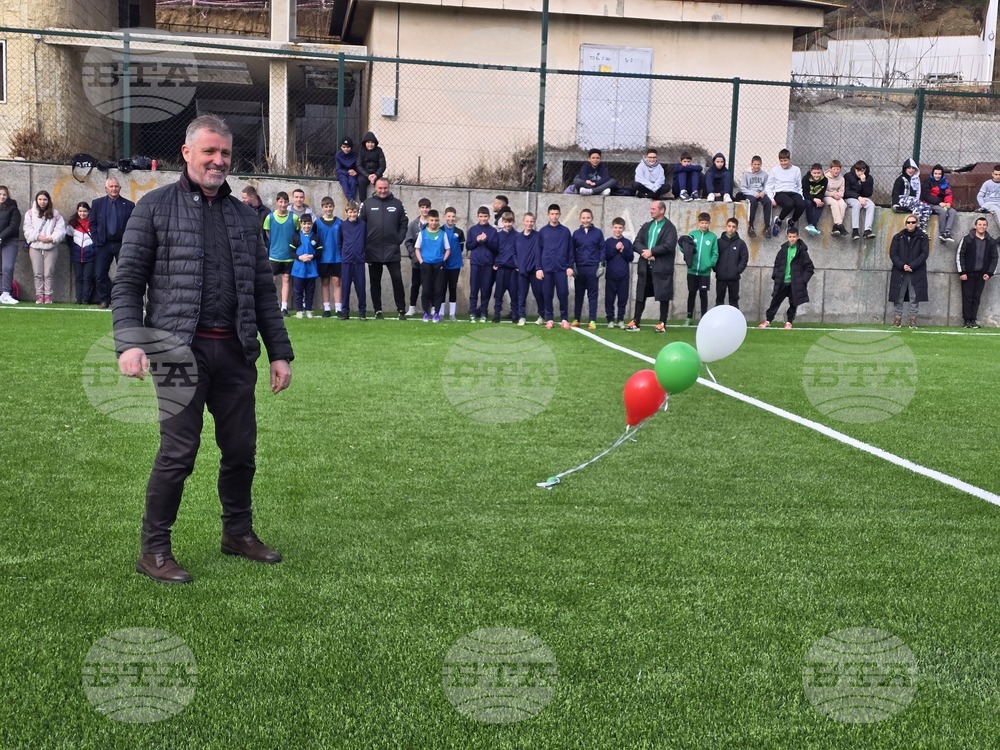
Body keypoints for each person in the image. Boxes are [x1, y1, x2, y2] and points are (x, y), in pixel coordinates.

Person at [112, 113, 293, 584]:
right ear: (187, 153)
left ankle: (237, 533)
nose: (218, 160)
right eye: (209, 151)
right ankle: (153, 550)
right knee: (178, 453)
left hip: (234, 354)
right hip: (176, 354)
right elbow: (128, 283)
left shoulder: (243, 215)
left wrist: (279, 352)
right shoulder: (152, 208)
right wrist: (129, 343)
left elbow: (262, 292)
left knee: (241, 450)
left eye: (226, 153)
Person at [625, 200, 677, 333]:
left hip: (661, 268)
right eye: (651, 208)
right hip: (645, 267)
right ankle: (636, 321)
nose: (651, 211)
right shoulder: (647, 226)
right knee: (640, 294)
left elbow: (668, 245)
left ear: (662, 210)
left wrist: (652, 251)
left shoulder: (669, 228)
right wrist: (645, 252)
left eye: (653, 209)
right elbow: (636, 242)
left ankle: (662, 323)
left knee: (663, 295)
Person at [359, 177, 407, 319]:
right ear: (375, 187)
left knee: (397, 280)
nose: (383, 191)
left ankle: (401, 310)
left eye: (385, 188)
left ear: (389, 187)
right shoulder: (367, 204)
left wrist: (399, 239)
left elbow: (404, 223)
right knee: (375, 281)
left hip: (392, 249)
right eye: (380, 188)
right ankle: (377, 310)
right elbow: (361, 225)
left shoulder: (397, 204)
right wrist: (365, 243)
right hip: (373, 250)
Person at [757, 226, 814, 330]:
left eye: (794, 236)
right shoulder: (783, 250)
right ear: (787, 237)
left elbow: (809, 268)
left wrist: (803, 280)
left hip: (795, 283)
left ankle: (789, 322)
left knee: (793, 303)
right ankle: (768, 320)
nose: (792, 239)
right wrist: (776, 276)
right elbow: (777, 264)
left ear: (798, 237)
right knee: (775, 301)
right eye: (790, 236)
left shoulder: (802, 252)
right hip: (783, 281)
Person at [90, 177, 135, 309]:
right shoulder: (97, 203)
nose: (114, 189)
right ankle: (104, 299)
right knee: (100, 274)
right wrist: (96, 239)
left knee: (124, 273)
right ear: (106, 189)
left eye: (116, 186)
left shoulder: (129, 205)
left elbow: (133, 225)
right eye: (111, 186)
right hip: (103, 245)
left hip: (122, 244)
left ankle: (122, 299)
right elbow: (92, 224)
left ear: (120, 188)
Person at [22, 190, 66, 304]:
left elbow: (61, 230)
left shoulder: (55, 214)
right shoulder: (30, 214)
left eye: (45, 199)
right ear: (36, 200)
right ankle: (39, 296)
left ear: (48, 200)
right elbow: (27, 229)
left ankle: (48, 296)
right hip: (35, 246)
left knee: (48, 273)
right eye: (40, 199)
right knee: (37, 273)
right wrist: (38, 237)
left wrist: (51, 238)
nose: (42, 202)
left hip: (50, 247)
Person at [956, 216, 999, 328]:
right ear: (975, 226)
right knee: (967, 297)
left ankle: (973, 320)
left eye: (984, 225)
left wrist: (989, 273)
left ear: (987, 226)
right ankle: (967, 321)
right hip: (968, 274)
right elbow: (960, 255)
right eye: (979, 224)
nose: (982, 227)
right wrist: (962, 272)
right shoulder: (967, 239)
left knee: (976, 298)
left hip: (982, 274)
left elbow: (995, 258)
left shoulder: (990, 241)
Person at [888, 215, 929, 329]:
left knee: (914, 296)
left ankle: (913, 320)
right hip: (900, 271)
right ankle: (897, 319)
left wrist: (912, 265)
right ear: (905, 223)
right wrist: (902, 265)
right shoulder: (898, 237)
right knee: (898, 295)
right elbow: (893, 254)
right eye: (908, 222)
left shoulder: (922, 237)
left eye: (913, 222)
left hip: (916, 271)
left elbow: (924, 254)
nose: (910, 224)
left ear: (917, 223)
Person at [263, 191, 299, 316]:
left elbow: (297, 233)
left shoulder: (294, 217)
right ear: (277, 202)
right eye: (281, 201)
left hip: (288, 256)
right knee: (271, 280)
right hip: (274, 255)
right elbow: (267, 233)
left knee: (286, 279)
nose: (283, 204)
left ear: (288, 203)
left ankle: (284, 307)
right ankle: (270, 305)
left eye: (285, 202)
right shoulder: (270, 217)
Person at [539, 204, 574, 329]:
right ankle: (549, 319)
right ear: (548, 215)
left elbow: (570, 250)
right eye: (552, 214)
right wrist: (538, 268)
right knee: (547, 294)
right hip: (547, 269)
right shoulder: (543, 231)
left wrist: (570, 266)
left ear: (559, 215)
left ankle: (564, 318)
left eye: (556, 214)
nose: (554, 216)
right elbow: (538, 251)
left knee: (563, 294)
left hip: (561, 269)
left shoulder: (565, 231)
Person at [414, 208, 450, 322]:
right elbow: (417, 249)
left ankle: (436, 313)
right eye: (432, 220)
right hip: (426, 265)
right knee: (426, 290)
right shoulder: (422, 233)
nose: (434, 223)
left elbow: (448, 249)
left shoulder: (442, 234)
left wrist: (442, 261)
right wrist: (422, 262)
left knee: (438, 290)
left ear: (438, 221)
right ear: (428, 220)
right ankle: (426, 312)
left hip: (438, 265)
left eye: (436, 220)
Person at [571, 208, 604, 329]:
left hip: (593, 267)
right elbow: (572, 250)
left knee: (592, 295)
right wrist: (572, 265)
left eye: (588, 218)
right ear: (580, 219)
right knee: (578, 295)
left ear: (592, 219)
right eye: (583, 218)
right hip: (579, 268)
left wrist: (602, 265)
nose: (586, 220)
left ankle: (592, 320)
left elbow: (602, 249)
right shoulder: (576, 233)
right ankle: (576, 319)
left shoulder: (598, 233)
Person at [684, 212, 718, 324]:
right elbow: (684, 247)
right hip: (692, 270)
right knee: (691, 293)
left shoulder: (712, 237)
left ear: (709, 223)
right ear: (698, 223)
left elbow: (715, 253)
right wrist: (685, 251)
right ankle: (689, 317)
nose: (704, 225)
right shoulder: (692, 234)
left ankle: (704, 319)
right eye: (702, 223)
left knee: (703, 295)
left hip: (705, 273)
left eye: (706, 223)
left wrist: (709, 264)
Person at [466, 206, 498, 322]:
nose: (483, 219)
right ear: (477, 217)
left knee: (486, 290)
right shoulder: (473, 230)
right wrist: (477, 241)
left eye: (485, 216)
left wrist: (486, 241)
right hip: (475, 263)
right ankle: (472, 313)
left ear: (489, 217)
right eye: (481, 216)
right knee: (474, 289)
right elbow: (468, 246)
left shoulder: (493, 231)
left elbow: (495, 248)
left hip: (488, 264)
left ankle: (484, 312)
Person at [765, 149, 805, 237]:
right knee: (789, 204)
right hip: (780, 192)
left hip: (793, 192)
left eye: (785, 160)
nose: (783, 163)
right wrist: (771, 198)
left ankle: (792, 222)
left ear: (789, 159)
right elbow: (769, 186)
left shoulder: (796, 170)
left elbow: (799, 185)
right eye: (781, 161)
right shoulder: (775, 170)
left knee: (802, 204)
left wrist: (801, 196)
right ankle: (779, 220)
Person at [338, 200, 367, 320]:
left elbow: (365, 241)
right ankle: (345, 312)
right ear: (346, 212)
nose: (353, 215)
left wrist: (362, 254)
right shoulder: (342, 225)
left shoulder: (363, 225)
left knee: (361, 287)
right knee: (345, 288)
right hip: (347, 262)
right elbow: (339, 242)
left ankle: (362, 312)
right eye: (350, 212)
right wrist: (343, 255)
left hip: (359, 262)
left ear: (357, 212)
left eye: (355, 212)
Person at [514, 212, 544, 326]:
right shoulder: (518, 237)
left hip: (535, 272)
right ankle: (521, 317)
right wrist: (518, 265)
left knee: (539, 294)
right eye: (527, 221)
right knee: (521, 295)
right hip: (522, 272)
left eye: (531, 221)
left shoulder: (538, 236)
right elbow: (514, 253)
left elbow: (540, 253)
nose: (529, 223)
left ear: (534, 222)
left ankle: (541, 316)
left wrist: (538, 268)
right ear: (523, 221)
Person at [314, 197, 342, 318]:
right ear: (322, 207)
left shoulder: (340, 222)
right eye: (326, 206)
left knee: (336, 282)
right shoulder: (317, 223)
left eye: (330, 206)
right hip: (323, 258)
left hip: (337, 258)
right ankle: (326, 308)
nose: (328, 208)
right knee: (324, 282)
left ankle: (338, 308)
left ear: (333, 207)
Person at [603, 217, 634, 328]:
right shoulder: (608, 242)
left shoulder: (627, 242)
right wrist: (615, 249)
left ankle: (620, 319)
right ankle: (610, 319)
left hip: (623, 276)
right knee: (609, 299)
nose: (618, 230)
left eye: (620, 228)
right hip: (611, 275)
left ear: (624, 228)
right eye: (616, 227)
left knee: (622, 299)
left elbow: (630, 257)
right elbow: (605, 257)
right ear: (612, 228)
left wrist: (623, 250)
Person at [404, 197, 431, 318]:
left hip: (430, 262)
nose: (425, 210)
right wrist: (414, 257)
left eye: (427, 207)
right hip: (417, 263)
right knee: (415, 285)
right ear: (419, 209)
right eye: (423, 207)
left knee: (429, 286)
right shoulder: (413, 225)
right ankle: (412, 308)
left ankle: (427, 309)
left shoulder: (433, 223)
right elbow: (408, 242)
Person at [291, 213, 321, 318]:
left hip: (311, 269)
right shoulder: (296, 237)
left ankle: (308, 310)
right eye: (304, 224)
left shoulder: (315, 237)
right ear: (301, 224)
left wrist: (312, 256)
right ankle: (299, 310)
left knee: (310, 291)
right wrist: (299, 257)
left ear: (312, 224)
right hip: (298, 269)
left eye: (309, 224)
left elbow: (319, 252)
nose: (306, 226)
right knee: (298, 290)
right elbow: (291, 252)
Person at [715, 217, 748, 309]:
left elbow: (744, 258)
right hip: (721, 276)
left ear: (736, 228)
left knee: (734, 301)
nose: (731, 228)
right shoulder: (718, 242)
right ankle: (719, 321)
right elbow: (714, 256)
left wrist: (737, 270)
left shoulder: (741, 243)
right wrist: (717, 269)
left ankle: (735, 322)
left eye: (733, 227)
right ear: (725, 227)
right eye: (729, 226)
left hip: (734, 277)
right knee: (719, 300)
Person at [891, 159, 932, 233]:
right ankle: (915, 226)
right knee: (917, 204)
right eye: (909, 168)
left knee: (927, 207)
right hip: (901, 199)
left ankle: (922, 227)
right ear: (905, 169)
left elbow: (917, 193)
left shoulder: (915, 180)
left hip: (913, 201)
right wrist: (895, 203)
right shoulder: (900, 179)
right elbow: (895, 192)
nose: (911, 170)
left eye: (913, 168)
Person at [491, 211, 518, 323]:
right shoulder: (498, 235)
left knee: (514, 293)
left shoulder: (517, 236)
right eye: (505, 222)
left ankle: (515, 315)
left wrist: (518, 265)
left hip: (512, 269)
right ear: (502, 222)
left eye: (510, 222)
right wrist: (495, 263)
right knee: (498, 293)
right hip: (501, 269)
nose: (507, 224)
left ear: (513, 221)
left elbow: (519, 252)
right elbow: (494, 250)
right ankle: (497, 314)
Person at [439, 207, 465, 321]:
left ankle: (452, 313)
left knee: (452, 287)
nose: (451, 218)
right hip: (442, 264)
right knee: (442, 287)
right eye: (449, 216)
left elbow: (461, 247)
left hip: (455, 264)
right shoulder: (440, 230)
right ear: (445, 217)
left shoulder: (459, 232)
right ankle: (440, 312)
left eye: (453, 216)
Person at [67, 202, 96, 305]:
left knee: (87, 277)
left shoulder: (93, 223)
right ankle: (78, 299)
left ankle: (85, 299)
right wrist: (74, 248)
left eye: (84, 211)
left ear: (89, 212)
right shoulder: (73, 224)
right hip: (76, 255)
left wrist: (93, 249)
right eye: (80, 211)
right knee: (78, 277)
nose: (82, 213)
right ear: (77, 211)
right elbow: (68, 238)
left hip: (90, 255)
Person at [735, 156, 770, 239]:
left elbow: (767, 187)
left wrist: (763, 193)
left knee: (768, 202)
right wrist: (754, 194)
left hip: (761, 193)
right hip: (750, 193)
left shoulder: (764, 175)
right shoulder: (746, 174)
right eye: (755, 164)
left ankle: (767, 227)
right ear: (751, 164)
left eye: (758, 164)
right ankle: (751, 226)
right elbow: (743, 188)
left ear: (761, 164)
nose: (757, 166)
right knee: (753, 202)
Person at [0, 186, 22, 305]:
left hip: (9, 241)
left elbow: (13, 226)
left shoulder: (13, 208)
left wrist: (1, 237)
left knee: (7, 267)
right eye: (0, 194)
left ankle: (6, 293)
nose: (2, 196)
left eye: (4, 194)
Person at [924, 164, 957, 243]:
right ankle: (942, 233)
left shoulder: (945, 183)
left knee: (952, 211)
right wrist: (939, 202)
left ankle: (947, 232)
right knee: (943, 211)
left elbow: (948, 194)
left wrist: (948, 202)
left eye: (939, 174)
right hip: (930, 204)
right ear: (933, 173)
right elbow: (926, 196)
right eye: (936, 174)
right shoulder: (927, 182)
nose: (937, 176)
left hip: (942, 203)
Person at [844, 160, 876, 241]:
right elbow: (846, 192)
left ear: (865, 170)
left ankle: (867, 230)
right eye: (858, 170)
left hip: (863, 198)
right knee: (856, 205)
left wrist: (864, 182)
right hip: (851, 198)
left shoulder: (869, 178)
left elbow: (868, 193)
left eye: (862, 171)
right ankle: (855, 230)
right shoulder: (848, 176)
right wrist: (858, 197)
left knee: (871, 205)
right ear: (854, 169)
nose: (860, 173)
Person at [357, 131, 387, 201]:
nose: (370, 144)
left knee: (380, 184)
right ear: (365, 143)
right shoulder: (361, 150)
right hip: (364, 174)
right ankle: (363, 203)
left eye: (372, 142)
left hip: (376, 174)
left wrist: (376, 175)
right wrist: (368, 175)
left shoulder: (379, 151)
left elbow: (383, 165)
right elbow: (358, 165)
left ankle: (380, 201)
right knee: (361, 182)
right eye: (368, 142)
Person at [801, 163, 827, 236]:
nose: (816, 175)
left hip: (817, 198)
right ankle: (812, 225)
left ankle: (812, 225)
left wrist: (819, 200)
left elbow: (822, 192)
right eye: (814, 173)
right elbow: (805, 193)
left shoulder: (825, 180)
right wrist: (814, 199)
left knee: (821, 204)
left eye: (818, 173)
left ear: (822, 172)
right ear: (811, 172)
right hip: (808, 197)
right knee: (808, 203)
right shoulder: (806, 179)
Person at [824, 160, 848, 237]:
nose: (836, 171)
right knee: (834, 203)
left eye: (838, 169)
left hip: (836, 196)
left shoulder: (842, 179)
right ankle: (840, 224)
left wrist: (839, 195)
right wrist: (832, 194)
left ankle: (836, 226)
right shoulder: (824, 177)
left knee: (842, 204)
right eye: (834, 169)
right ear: (830, 169)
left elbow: (842, 191)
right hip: (826, 196)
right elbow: (822, 191)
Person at [975, 164, 1000, 230]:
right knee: (997, 211)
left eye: (999, 175)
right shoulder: (987, 183)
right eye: (996, 174)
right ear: (992, 174)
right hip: (990, 204)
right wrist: (983, 205)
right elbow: (980, 196)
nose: (998, 176)